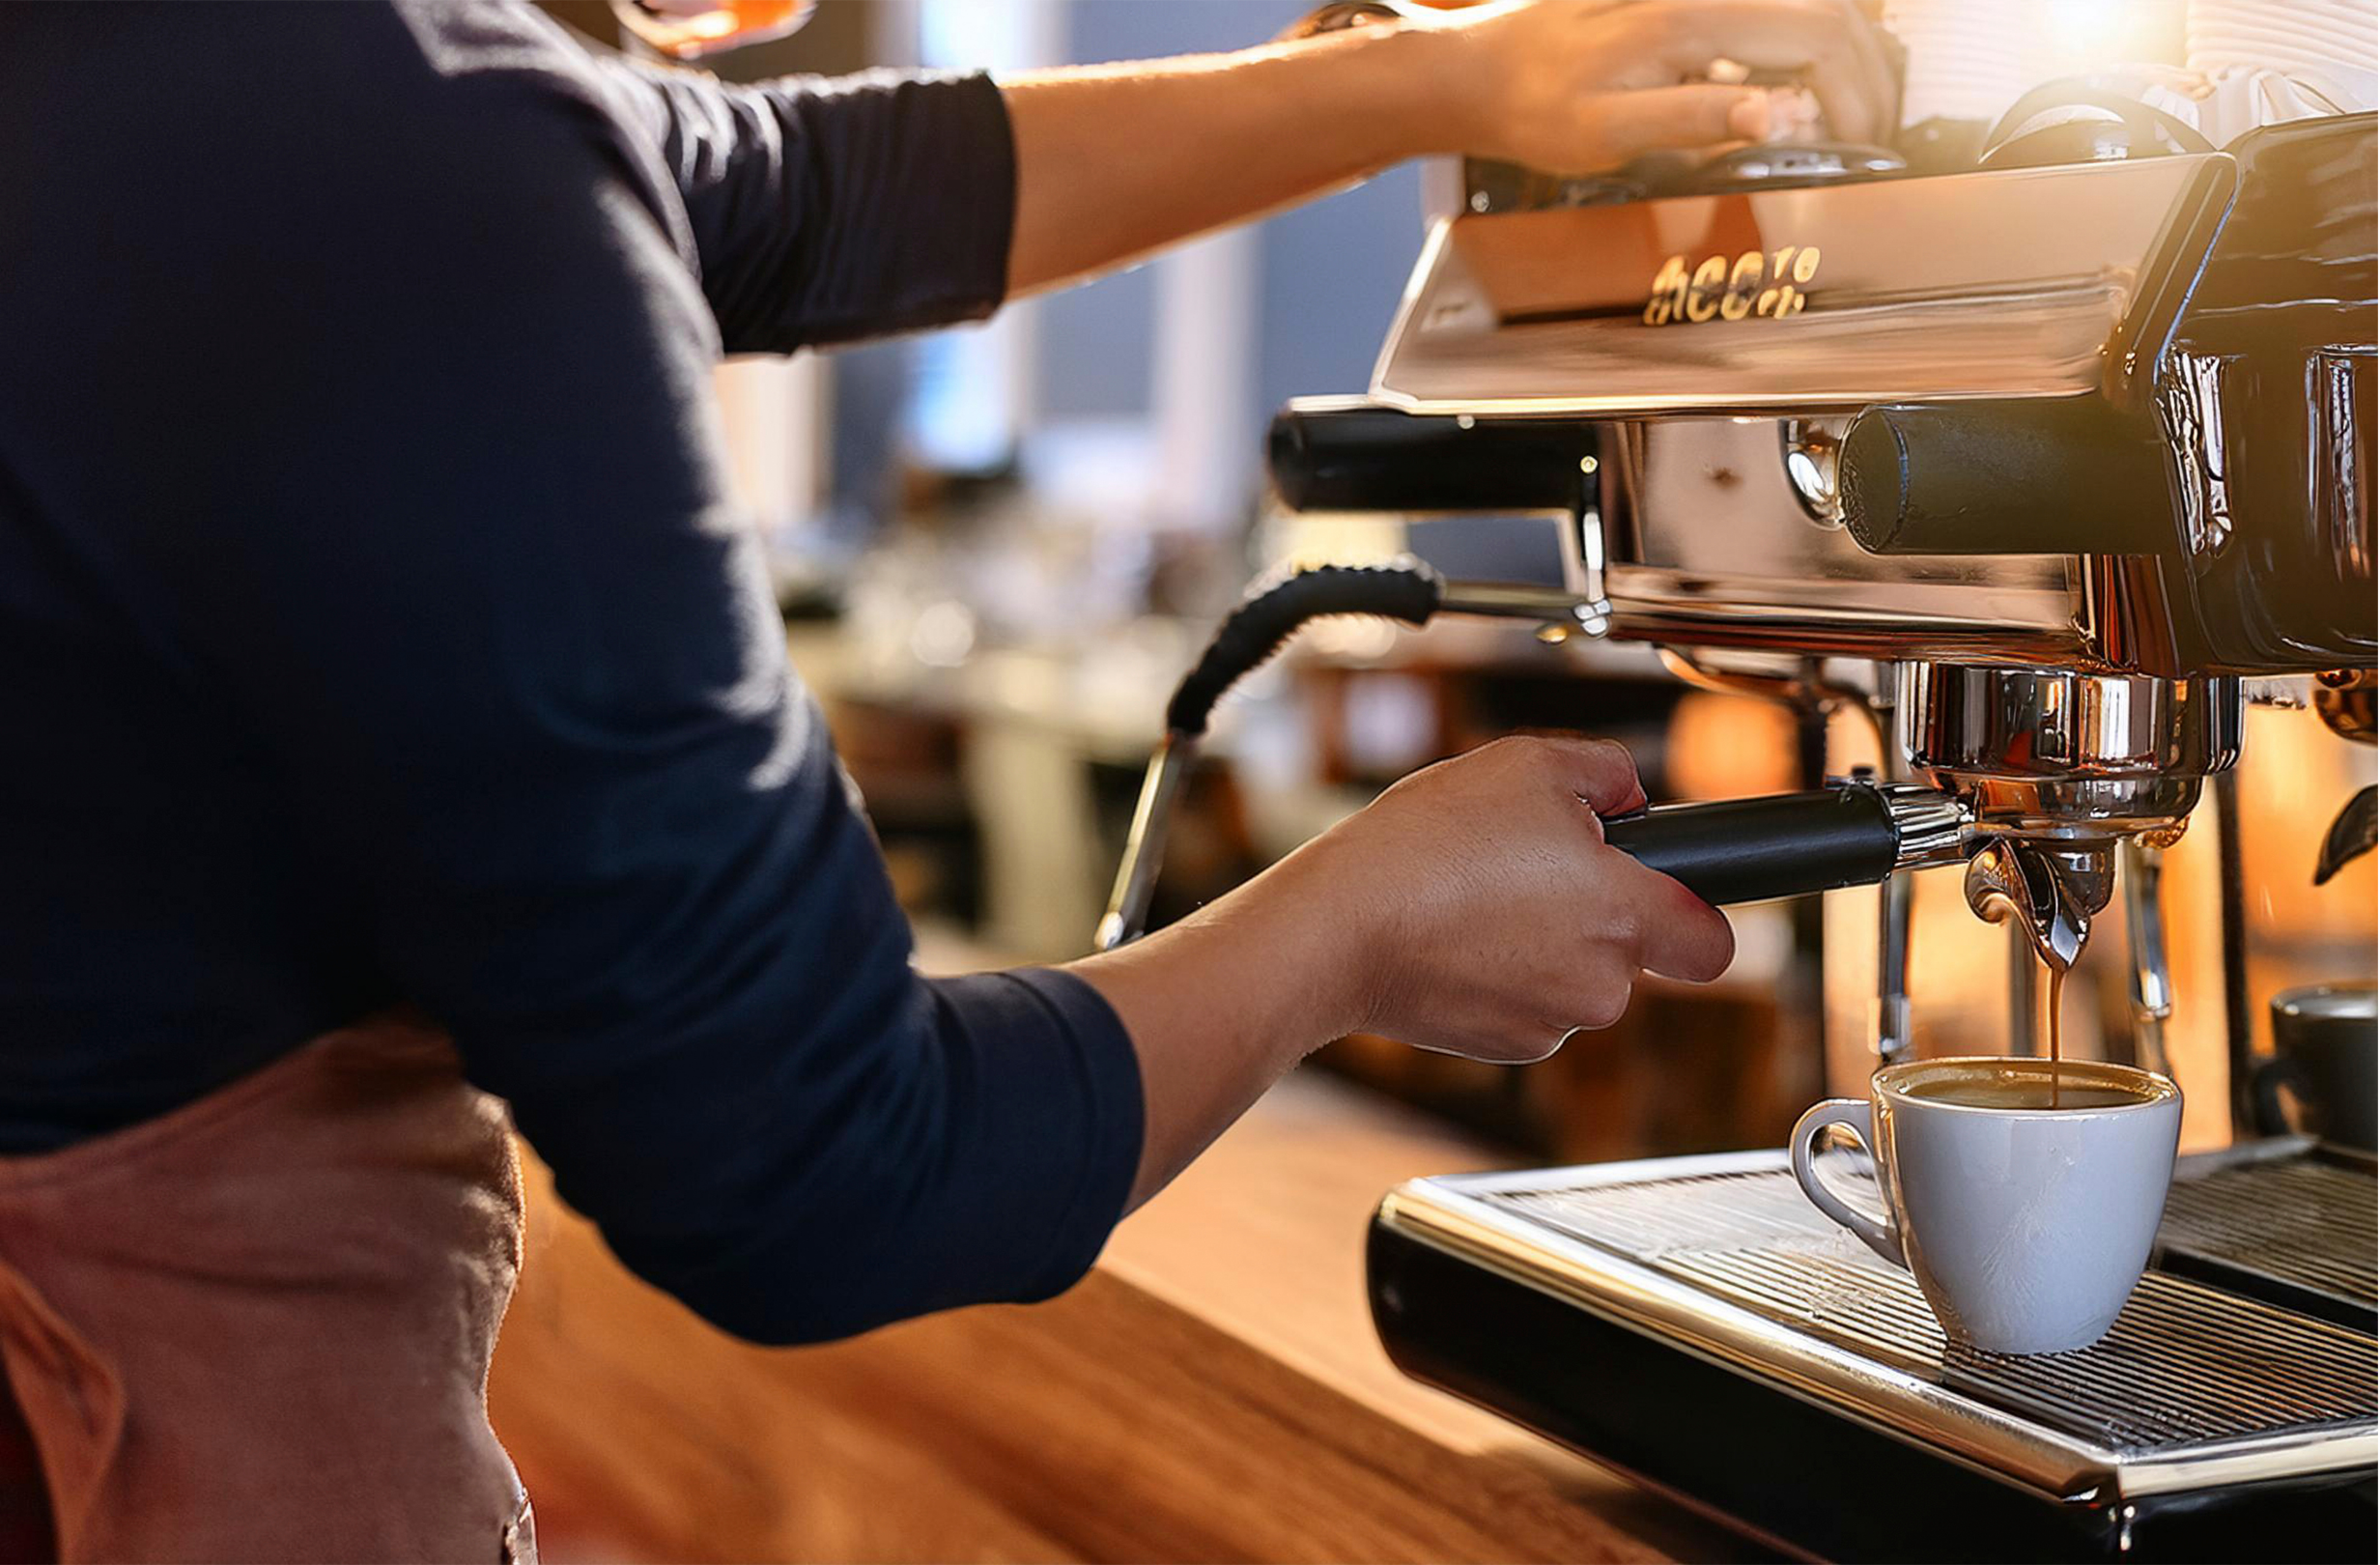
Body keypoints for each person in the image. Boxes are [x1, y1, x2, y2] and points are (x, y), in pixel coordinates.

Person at [0, 0, 1892, 1555]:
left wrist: (1448, 75)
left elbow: (801, 191)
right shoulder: (418, 163)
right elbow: (824, 1165)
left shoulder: (224, 73)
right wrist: (1351, 930)